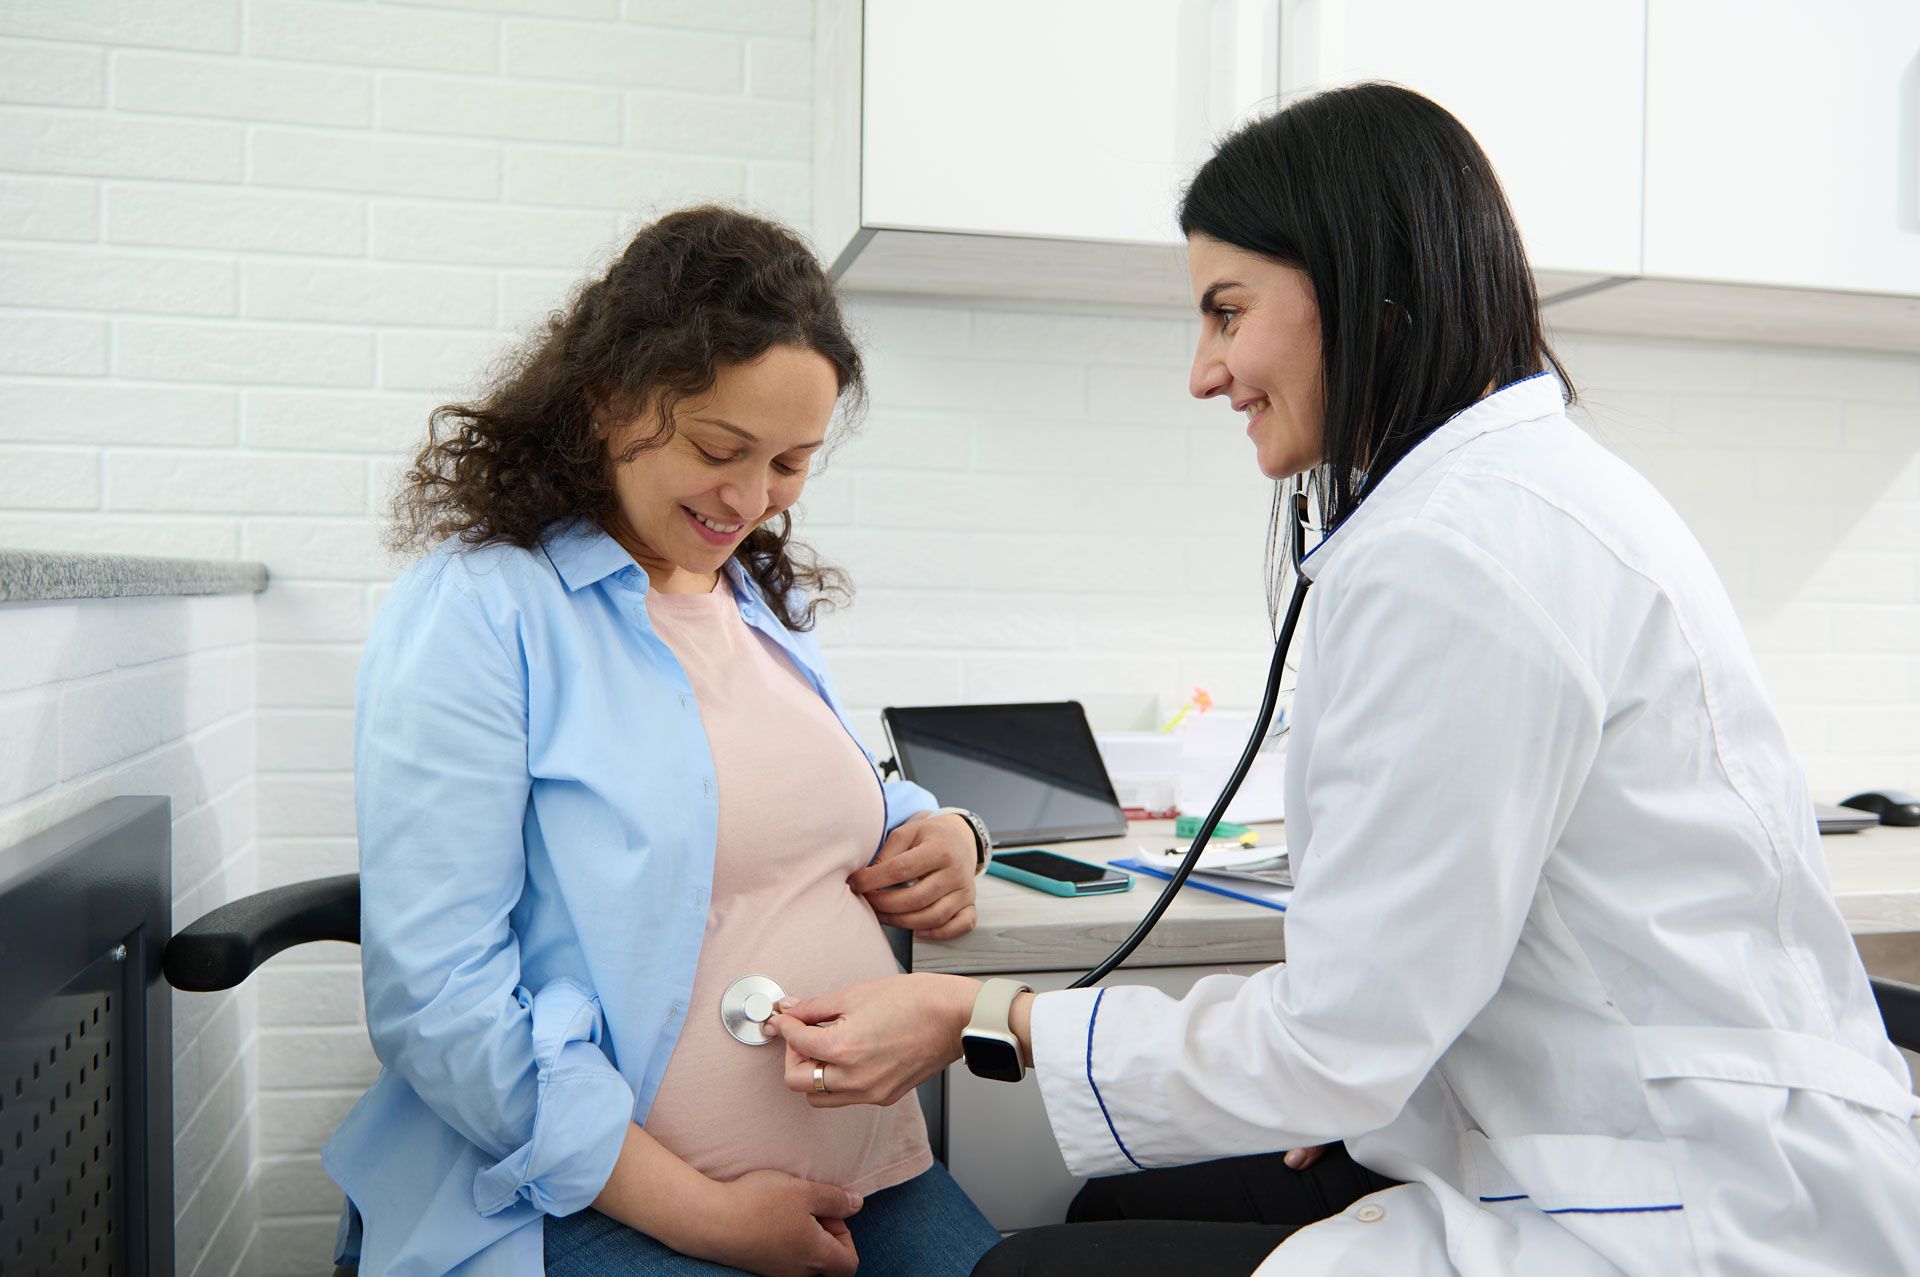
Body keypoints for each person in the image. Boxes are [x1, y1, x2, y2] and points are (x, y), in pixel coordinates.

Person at [762, 84, 1920, 1276]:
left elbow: (1338, 1038)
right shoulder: (1509, 499)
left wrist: (977, 1015)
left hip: (1685, 1206)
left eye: (1227, 311)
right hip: (1638, 1133)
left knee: (1025, 1268)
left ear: (1361, 288)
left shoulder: (1463, 554)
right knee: (1108, 1209)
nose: (1204, 372)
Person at [322, 206, 1001, 1277]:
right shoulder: (486, 607)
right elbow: (437, 999)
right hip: (597, 1192)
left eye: (790, 461)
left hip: (867, 1172)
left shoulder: (752, 599)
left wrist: (948, 834)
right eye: (720, 448)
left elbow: (799, 798)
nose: (751, 499)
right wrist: (707, 1216)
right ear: (610, 397)